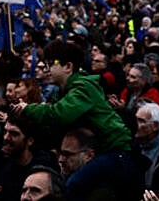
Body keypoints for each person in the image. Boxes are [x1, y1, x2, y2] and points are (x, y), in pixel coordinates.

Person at [12, 41, 141, 199]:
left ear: (68, 66)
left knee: (75, 184)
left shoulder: (82, 88)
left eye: (52, 63)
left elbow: (59, 115)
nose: (47, 69)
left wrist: (28, 109)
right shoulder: (65, 92)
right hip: (104, 152)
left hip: (117, 152)